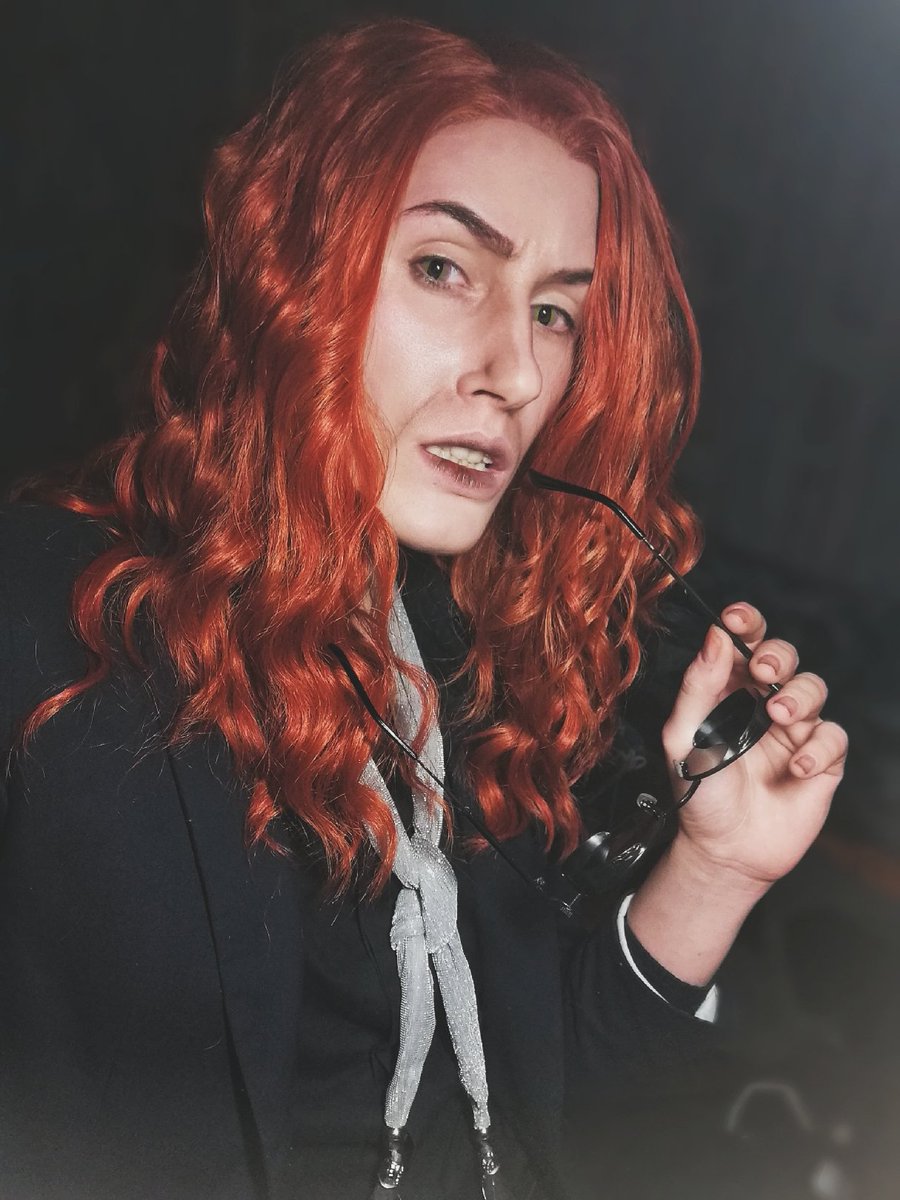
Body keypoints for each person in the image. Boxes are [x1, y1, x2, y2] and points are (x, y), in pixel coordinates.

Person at [0, 18, 847, 1200]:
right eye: (446, 269)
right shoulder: (56, 630)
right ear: (296, 274)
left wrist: (717, 873)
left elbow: (546, 1128)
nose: (517, 373)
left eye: (554, 311)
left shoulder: (457, 675)